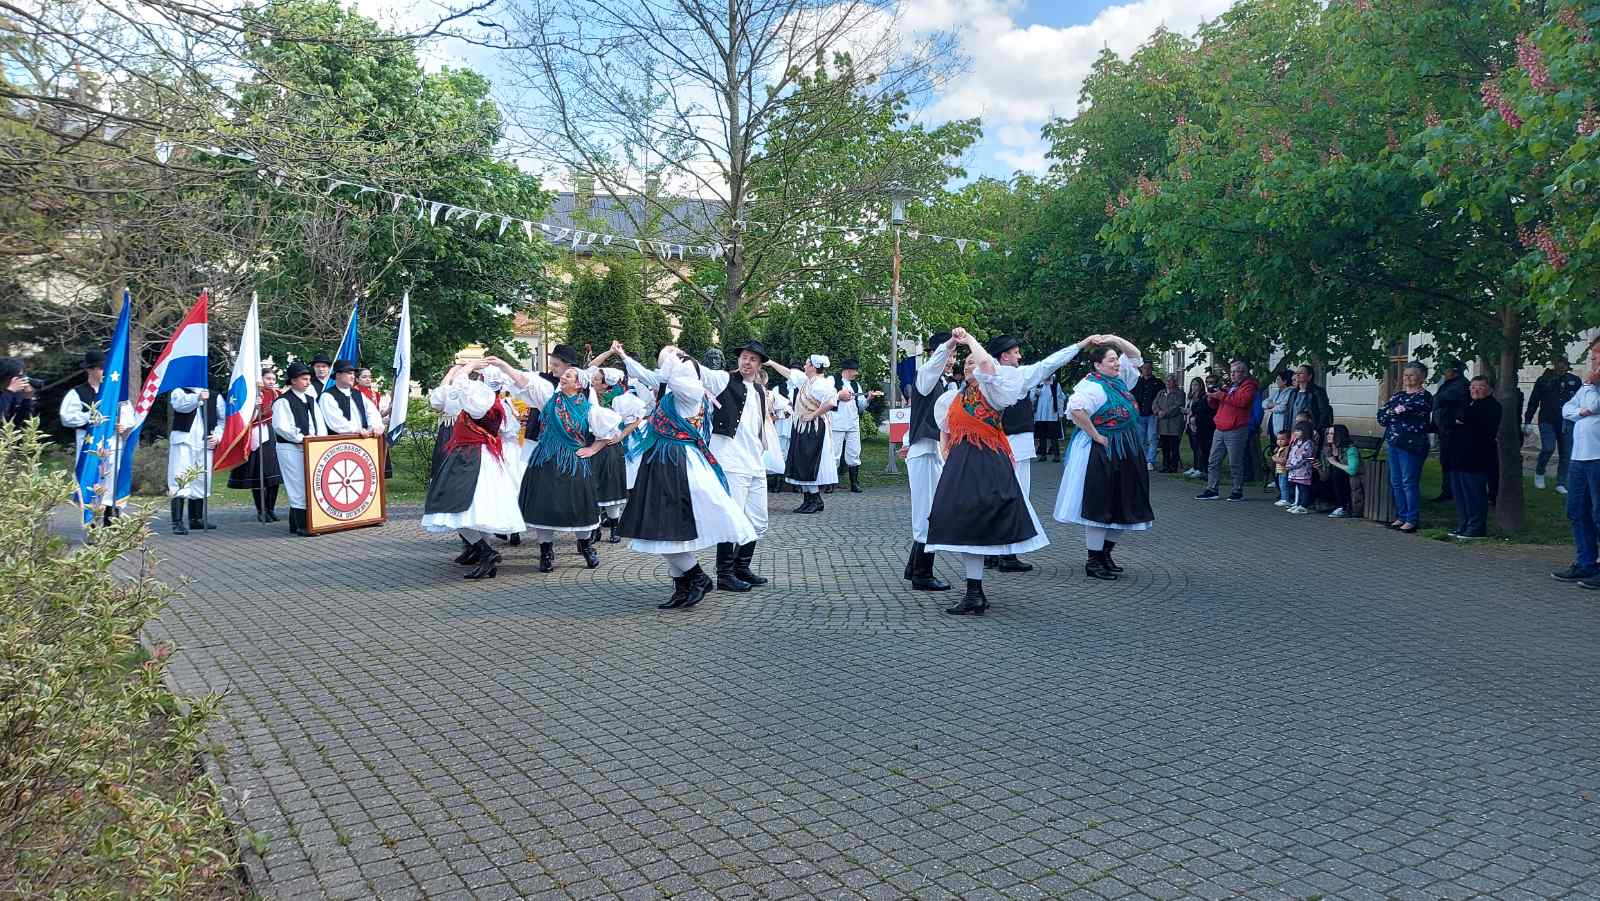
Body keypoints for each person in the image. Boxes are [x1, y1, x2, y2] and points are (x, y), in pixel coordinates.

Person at [615, 339, 776, 592]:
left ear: (760, 364)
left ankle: (742, 567)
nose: (747, 362)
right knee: (731, 516)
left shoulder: (759, 391)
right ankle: (724, 573)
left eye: (753, 359)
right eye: (744, 357)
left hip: (755, 461)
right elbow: (698, 371)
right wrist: (681, 357)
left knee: (758, 520)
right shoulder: (722, 379)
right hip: (730, 460)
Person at [926, 330, 1049, 615]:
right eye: (966, 364)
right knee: (964, 522)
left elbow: (989, 368)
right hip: (961, 463)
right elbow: (945, 431)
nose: (970, 367)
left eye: (975, 363)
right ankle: (974, 592)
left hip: (989, 460)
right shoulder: (952, 398)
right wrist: (944, 453)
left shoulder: (993, 391)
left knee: (984, 518)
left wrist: (970, 342)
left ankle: (978, 588)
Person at [498, 357, 620, 572]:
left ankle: (586, 545)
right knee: (544, 508)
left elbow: (611, 432)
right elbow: (523, 381)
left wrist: (593, 449)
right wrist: (502, 365)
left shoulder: (589, 409)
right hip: (545, 460)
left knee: (578, 507)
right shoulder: (548, 398)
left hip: (573, 462)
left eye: (569, 375)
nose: (563, 376)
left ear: (579, 384)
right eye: (565, 374)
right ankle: (545, 551)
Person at [984, 334, 1087, 572]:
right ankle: (1007, 554)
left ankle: (993, 551)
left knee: (997, 497)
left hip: (1000, 443)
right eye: (1016, 352)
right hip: (1012, 443)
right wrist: (1079, 345)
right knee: (1017, 496)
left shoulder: (988, 377)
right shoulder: (1010, 377)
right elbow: (1049, 364)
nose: (1020, 356)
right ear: (1004, 356)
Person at [1054, 335, 1153, 581]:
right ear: (1097, 365)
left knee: (1125, 503)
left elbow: (1135, 355)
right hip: (1103, 452)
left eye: (1115, 360)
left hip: (1127, 449)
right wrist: (1096, 435)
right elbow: (1075, 409)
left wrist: (1113, 339)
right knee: (1101, 504)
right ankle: (1093, 560)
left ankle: (1105, 554)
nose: (1116, 363)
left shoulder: (1119, 380)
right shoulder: (1092, 386)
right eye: (1111, 360)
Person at [421, 361, 525, 579]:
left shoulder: (482, 399)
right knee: (460, 509)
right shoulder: (477, 397)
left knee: (458, 508)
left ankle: (485, 552)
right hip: (469, 456)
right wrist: (458, 372)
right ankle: (484, 552)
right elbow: (438, 398)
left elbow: (457, 390)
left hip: (474, 458)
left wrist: (466, 369)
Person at [902, 332, 957, 593]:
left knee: (932, 510)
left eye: (955, 355)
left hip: (933, 452)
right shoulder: (925, 375)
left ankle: (914, 567)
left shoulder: (944, 382)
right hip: (924, 453)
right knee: (926, 513)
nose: (951, 360)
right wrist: (948, 345)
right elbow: (934, 364)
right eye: (949, 355)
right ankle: (922, 574)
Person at [59, 350, 135, 524]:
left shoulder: (115, 392)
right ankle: (92, 526)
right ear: (90, 370)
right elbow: (67, 417)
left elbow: (128, 418)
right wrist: (92, 418)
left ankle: (110, 525)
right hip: (90, 447)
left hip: (113, 445)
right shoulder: (77, 393)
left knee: (111, 482)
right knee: (91, 482)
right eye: (101, 368)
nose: (104, 372)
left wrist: (122, 426)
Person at [1555, 337, 1600, 588]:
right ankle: (1586, 563)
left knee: (1598, 513)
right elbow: (1567, 409)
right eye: (1592, 352)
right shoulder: (1587, 383)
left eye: (1597, 353)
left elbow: (1594, 405)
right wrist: (1582, 410)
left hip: (1598, 457)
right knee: (1577, 510)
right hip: (1579, 457)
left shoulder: (1591, 385)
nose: (1593, 357)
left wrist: (1592, 388)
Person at [767, 355, 839, 512]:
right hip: (802, 427)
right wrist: (771, 363)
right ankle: (809, 499)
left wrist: (814, 414)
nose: (804, 367)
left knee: (809, 462)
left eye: (806, 364)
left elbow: (832, 402)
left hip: (814, 428)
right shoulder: (808, 381)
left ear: (813, 367)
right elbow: (788, 373)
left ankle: (815, 500)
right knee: (802, 462)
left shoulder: (820, 384)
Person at [1376, 361, 1433, 535]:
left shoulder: (1424, 397)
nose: (1407, 378)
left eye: (1412, 375)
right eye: (1405, 375)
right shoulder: (1397, 396)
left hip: (1411, 444)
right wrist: (1394, 412)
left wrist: (1394, 413)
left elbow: (1409, 411)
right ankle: (1401, 516)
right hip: (1393, 442)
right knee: (1396, 481)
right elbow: (1382, 416)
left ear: (1422, 378)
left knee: (1409, 481)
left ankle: (1411, 519)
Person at [271, 362, 327, 536]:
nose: (308, 382)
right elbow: (281, 427)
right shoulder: (282, 401)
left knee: (308, 483)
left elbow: (319, 423)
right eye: (304, 379)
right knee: (297, 484)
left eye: (309, 379)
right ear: (293, 380)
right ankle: (303, 525)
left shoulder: (310, 400)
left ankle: (294, 524)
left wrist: (320, 439)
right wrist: (301, 438)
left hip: (310, 447)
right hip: (290, 448)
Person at [1195, 360, 1259, 502]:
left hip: (1236, 428)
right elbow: (1217, 405)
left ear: (1243, 372)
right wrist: (1212, 397)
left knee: (1235, 462)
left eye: (1235, 372)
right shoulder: (1230, 386)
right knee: (1213, 460)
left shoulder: (1249, 386)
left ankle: (1237, 490)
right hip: (1220, 426)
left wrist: (1221, 395)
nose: (1232, 375)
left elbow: (1242, 401)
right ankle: (1212, 489)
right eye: (1231, 372)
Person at [227, 362, 283, 522]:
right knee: (260, 475)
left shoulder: (278, 394)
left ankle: (271, 508)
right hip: (257, 435)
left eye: (273, 378)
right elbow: (245, 417)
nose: (271, 381)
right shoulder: (253, 394)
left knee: (274, 476)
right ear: (261, 379)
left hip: (273, 434)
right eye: (268, 378)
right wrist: (256, 408)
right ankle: (261, 510)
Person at [166, 384, 225, 534]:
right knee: (180, 477)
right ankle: (177, 521)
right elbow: (180, 406)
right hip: (183, 441)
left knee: (201, 479)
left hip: (204, 443)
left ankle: (196, 519)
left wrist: (217, 437)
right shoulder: (179, 391)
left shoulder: (214, 395)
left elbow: (222, 419)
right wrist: (197, 397)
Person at [1448, 376, 1502, 539]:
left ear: (1489, 389)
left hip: (1476, 458)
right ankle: (1463, 524)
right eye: (1472, 386)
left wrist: (1462, 420)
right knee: (1460, 494)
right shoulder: (1467, 403)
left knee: (1474, 494)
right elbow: (1452, 419)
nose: (1475, 389)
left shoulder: (1492, 406)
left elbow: (1468, 420)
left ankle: (1476, 528)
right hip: (1458, 457)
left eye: (1480, 386)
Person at [1526, 356, 1580, 494]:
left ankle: (1561, 483)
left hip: (1567, 421)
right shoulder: (1544, 380)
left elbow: (1581, 401)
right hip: (1547, 420)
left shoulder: (1574, 380)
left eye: (1564, 364)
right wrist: (1527, 421)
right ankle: (1539, 472)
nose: (1561, 366)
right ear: (1554, 364)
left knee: (1566, 453)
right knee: (1548, 447)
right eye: (1558, 363)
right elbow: (1533, 401)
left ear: (1567, 365)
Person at [829, 358, 879, 493]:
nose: (856, 373)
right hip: (836, 422)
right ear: (848, 370)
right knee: (834, 454)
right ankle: (831, 483)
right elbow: (825, 396)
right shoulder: (832, 381)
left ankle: (854, 483)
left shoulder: (856, 385)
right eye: (854, 371)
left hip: (852, 423)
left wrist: (868, 398)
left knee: (854, 453)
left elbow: (861, 406)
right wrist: (839, 396)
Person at [1431, 359, 1469, 501]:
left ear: (1454, 371)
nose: (1444, 373)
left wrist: (1426, 402)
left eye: (1446, 370)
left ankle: (1451, 492)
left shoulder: (1460, 385)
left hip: (1454, 430)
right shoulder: (1450, 384)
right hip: (1446, 429)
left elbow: (1440, 400)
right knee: (1446, 461)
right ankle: (1449, 491)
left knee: (1451, 462)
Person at [318, 359, 384, 438]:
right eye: (349, 373)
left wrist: (375, 426)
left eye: (353, 374)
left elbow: (372, 412)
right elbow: (336, 422)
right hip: (339, 444)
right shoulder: (327, 396)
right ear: (338, 375)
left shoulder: (358, 394)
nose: (353, 377)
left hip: (363, 441)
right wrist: (357, 430)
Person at [1322, 424, 1360, 518]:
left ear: (1339, 435)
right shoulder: (1328, 449)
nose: (1328, 436)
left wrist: (1334, 462)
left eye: (1332, 433)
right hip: (1332, 480)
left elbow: (1352, 470)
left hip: (1351, 478)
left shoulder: (1351, 449)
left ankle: (1343, 507)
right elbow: (1324, 474)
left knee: (1337, 473)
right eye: (1328, 433)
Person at [1153, 373, 1186, 473]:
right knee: (1165, 447)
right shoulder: (1161, 392)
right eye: (1167, 380)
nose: (1168, 382)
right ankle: (1165, 465)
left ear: (1175, 382)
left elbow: (1177, 406)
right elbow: (1155, 403)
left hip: (1174, 424)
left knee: (1174, 446)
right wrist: (1158, 411)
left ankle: (1173, 466)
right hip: (1163, 424)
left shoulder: (1179, 393)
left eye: (1170, 380)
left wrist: (1165, 413)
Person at [1133, 362, 1162, 470]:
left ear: (1151, 369)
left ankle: (1150, 460)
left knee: (1152, 437)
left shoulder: (1158, 382)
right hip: (1139, 414)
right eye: (1144, 368)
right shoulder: (1137, 382)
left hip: (1152, 415)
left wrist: (1157, 410)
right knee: (1141, 439)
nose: (1146, 370)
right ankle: (1143, 459)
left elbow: (1161, 398)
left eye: (1148, 368)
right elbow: (1132, 396)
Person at [1183, 377, 1214, 479]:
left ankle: (1201, 468)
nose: (1193, 387)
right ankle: (1195, 466)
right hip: (1190, 424)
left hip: (1200, 425)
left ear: (1201, 386)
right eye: (1192, 385)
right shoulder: (1191, 396)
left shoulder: (1203, 396)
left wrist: (1192, 413)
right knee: (1194, 447)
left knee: (1200, 447)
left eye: (1196, 385)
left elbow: (1202, 410)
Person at [1284, 423, 1316, 514]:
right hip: (1294, 471)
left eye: (1298, 431)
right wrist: (1288, 462)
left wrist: (1293, 465)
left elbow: (1304, 457)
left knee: (1303, 488)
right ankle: (1298, 503)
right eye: (1295, 430)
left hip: (1303, 470)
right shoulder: (1296, 442)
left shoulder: (1308, 443)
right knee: (1297, 487)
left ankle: (1303, 505)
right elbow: (1291, 454)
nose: (1295, 433)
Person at [1031, 375, 1064, 463]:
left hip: (1052, 414)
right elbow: (1032, 399)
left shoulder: (1056, 385)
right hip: (1040, 414)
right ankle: (1043, 455)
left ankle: (1056, 456)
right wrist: (1035, 394)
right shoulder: (1038, 385)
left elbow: (1060, 399)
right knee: (1041, 436)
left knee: (1054, 436)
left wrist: (1060, 414)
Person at [0, 357, 38, 427]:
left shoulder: (15, 394)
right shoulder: (9, 393)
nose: (22, 379)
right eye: (19, 376)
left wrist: (27, 399)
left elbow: (20, 423)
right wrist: (9, 391)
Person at [1271, 432, 1292, 507]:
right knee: (1281, 484)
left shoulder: (1287, 449)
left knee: (1284, 485)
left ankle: (1285, 499)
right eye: (1278, 439)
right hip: (1279, 470)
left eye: (1282, 439)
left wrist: (1274, 458)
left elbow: (1283, 461)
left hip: (1284, 470)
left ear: (1288, 440)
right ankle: (1283, 498)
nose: (1279, 441)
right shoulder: (1280, 448)